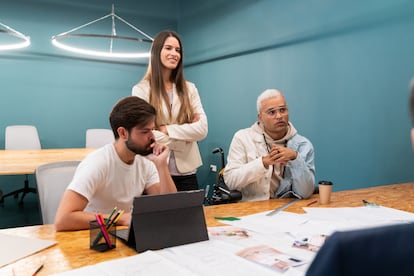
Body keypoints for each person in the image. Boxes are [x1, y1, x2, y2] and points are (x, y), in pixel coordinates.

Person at [54, 96, 177, 231]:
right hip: (94, 236)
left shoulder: (145, 162)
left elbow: (170, 207)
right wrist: (120, 218)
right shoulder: (98, 163)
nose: (152, 137)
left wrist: (162, 165)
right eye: (145, 131)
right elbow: (63, 220)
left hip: (121, 233)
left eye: (153, 130)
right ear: (123, 133)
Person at [132, 30, 208, 191]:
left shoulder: (190, 89)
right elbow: (146, 135)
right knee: (157, 216)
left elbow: (202, 129)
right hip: (154, 171)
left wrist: (165, 129)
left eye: (177, 50)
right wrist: (186, 138)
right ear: (156, 52)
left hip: (187, 171)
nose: (174, 53)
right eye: (168, 48)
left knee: (190, 216)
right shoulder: (141, 90)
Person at [223, 89, 315, 202]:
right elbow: (231, 181)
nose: (279, 116)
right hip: (252, 210)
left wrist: (295, 158)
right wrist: (263, 162)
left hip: (288, 210)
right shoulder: (242, 138)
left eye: (283, 110)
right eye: (272, 112)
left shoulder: (303, 145)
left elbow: (305, 192)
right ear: (260, 117)